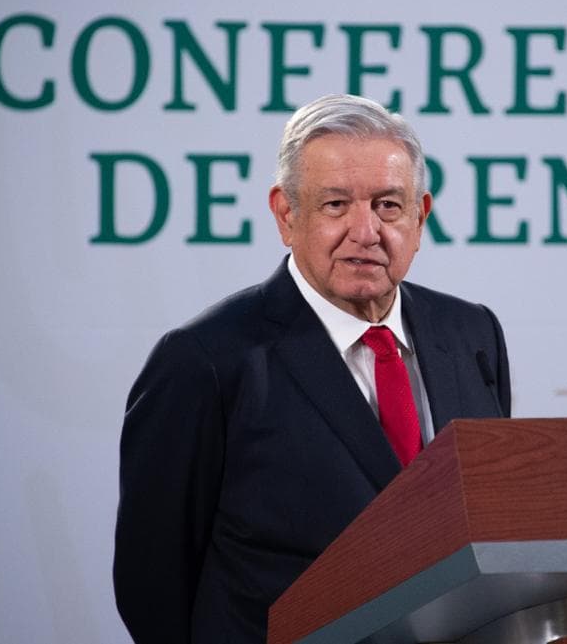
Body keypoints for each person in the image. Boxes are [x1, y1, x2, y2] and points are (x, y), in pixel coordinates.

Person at [113, 94, 511, 644]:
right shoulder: (205, 360)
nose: (365, 231)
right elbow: (151, 584)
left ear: (420, 216)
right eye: (335, 205)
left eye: (388, 205)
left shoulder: (471, 334)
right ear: (286, 214)